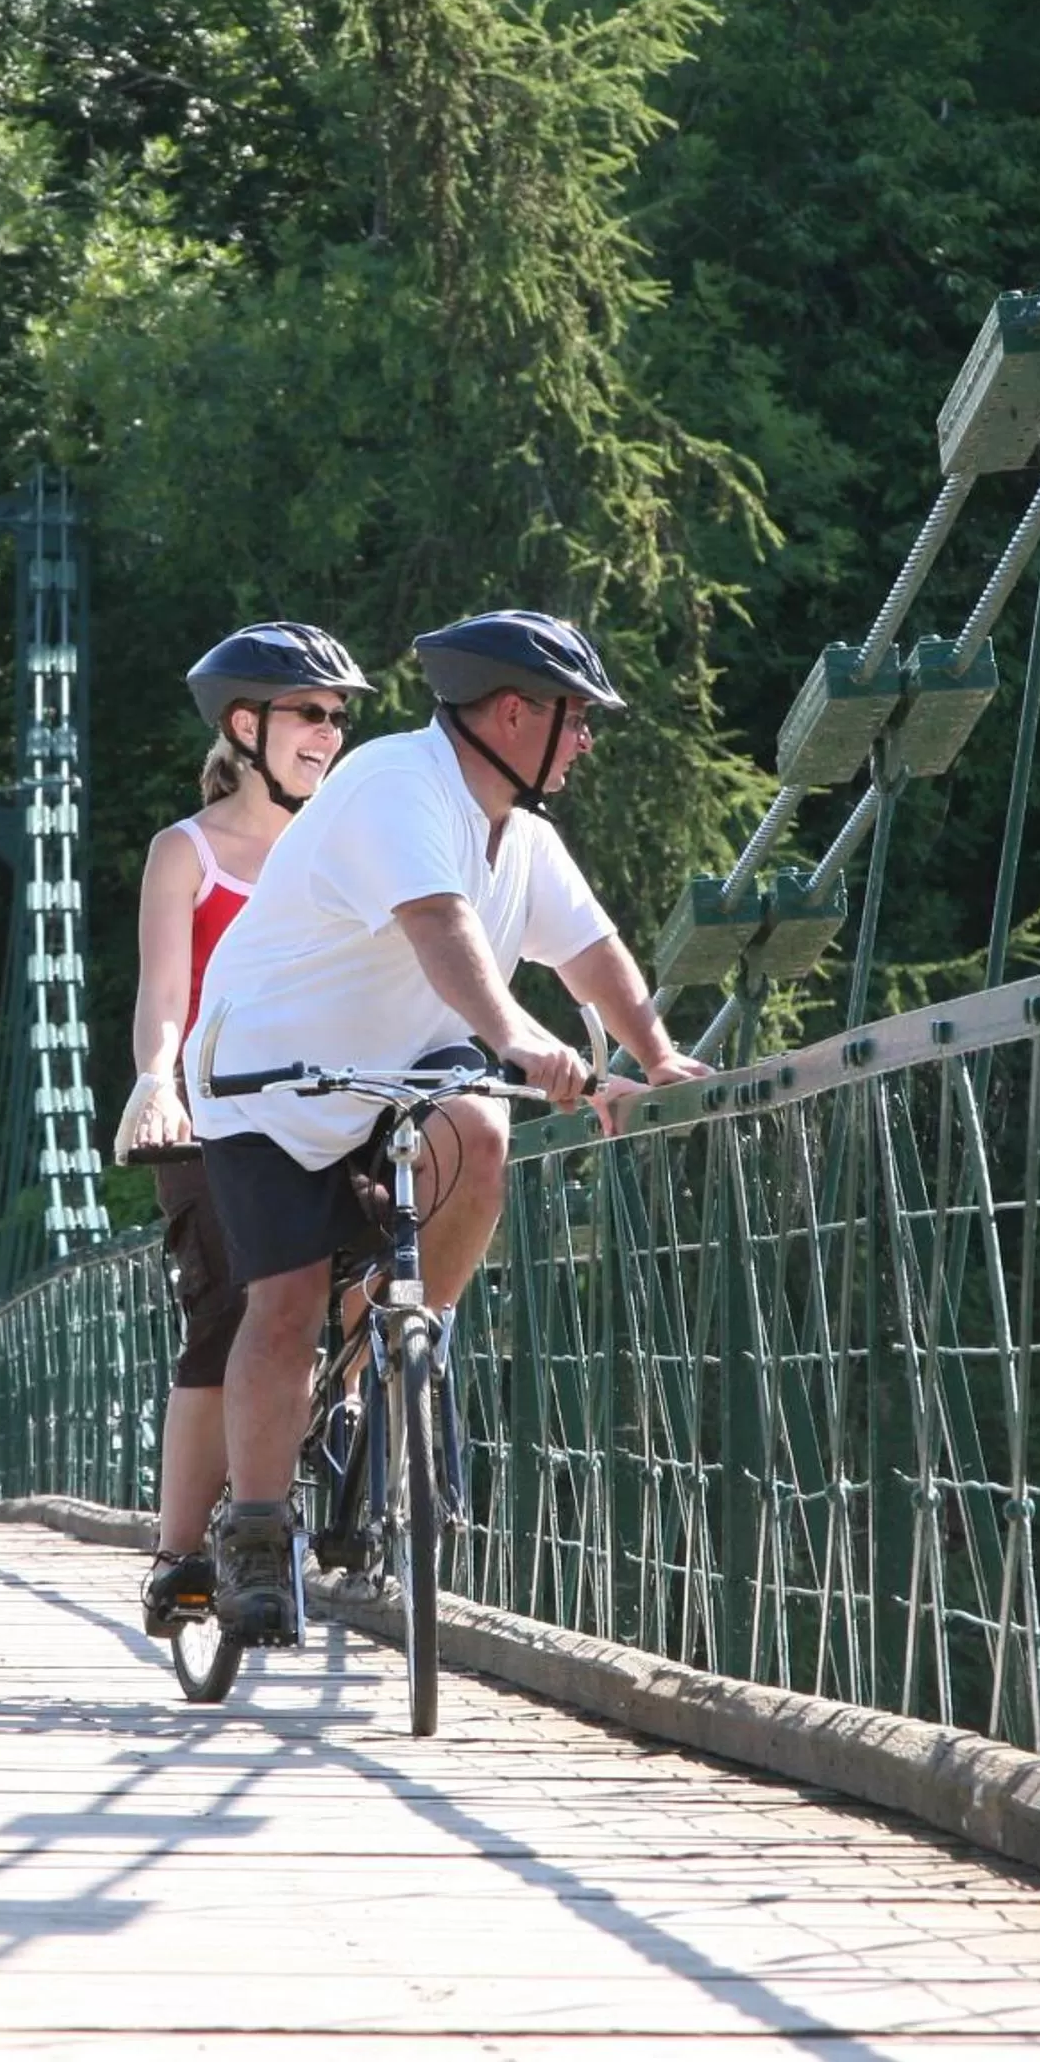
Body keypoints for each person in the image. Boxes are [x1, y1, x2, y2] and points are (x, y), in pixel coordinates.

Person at [188, 608, 713, 1640]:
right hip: (269, 1079)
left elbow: (591, 953)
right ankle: (255, 1533)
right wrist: (522, 1038)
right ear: (514, 711)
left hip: (400, 1069)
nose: (587, 740)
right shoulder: (396, 784)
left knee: (479, 1129)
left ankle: (406, 1335)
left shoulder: (526, 837)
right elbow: (441, 929)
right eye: (576, 719)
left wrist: (654, 1058)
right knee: (284, 1305)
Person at [113, 622, 373, 1635]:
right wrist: (155, 1079)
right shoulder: (187, 852)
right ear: (245, 724)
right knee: (227, 1318)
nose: (329, 735)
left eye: (339, 719)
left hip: (334, 1101)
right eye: (311, 714)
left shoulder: (345, 850)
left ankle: (355, 1405)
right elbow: (164, 993)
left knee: (398, 1259)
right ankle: (180, 1556)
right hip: (214, 1115)